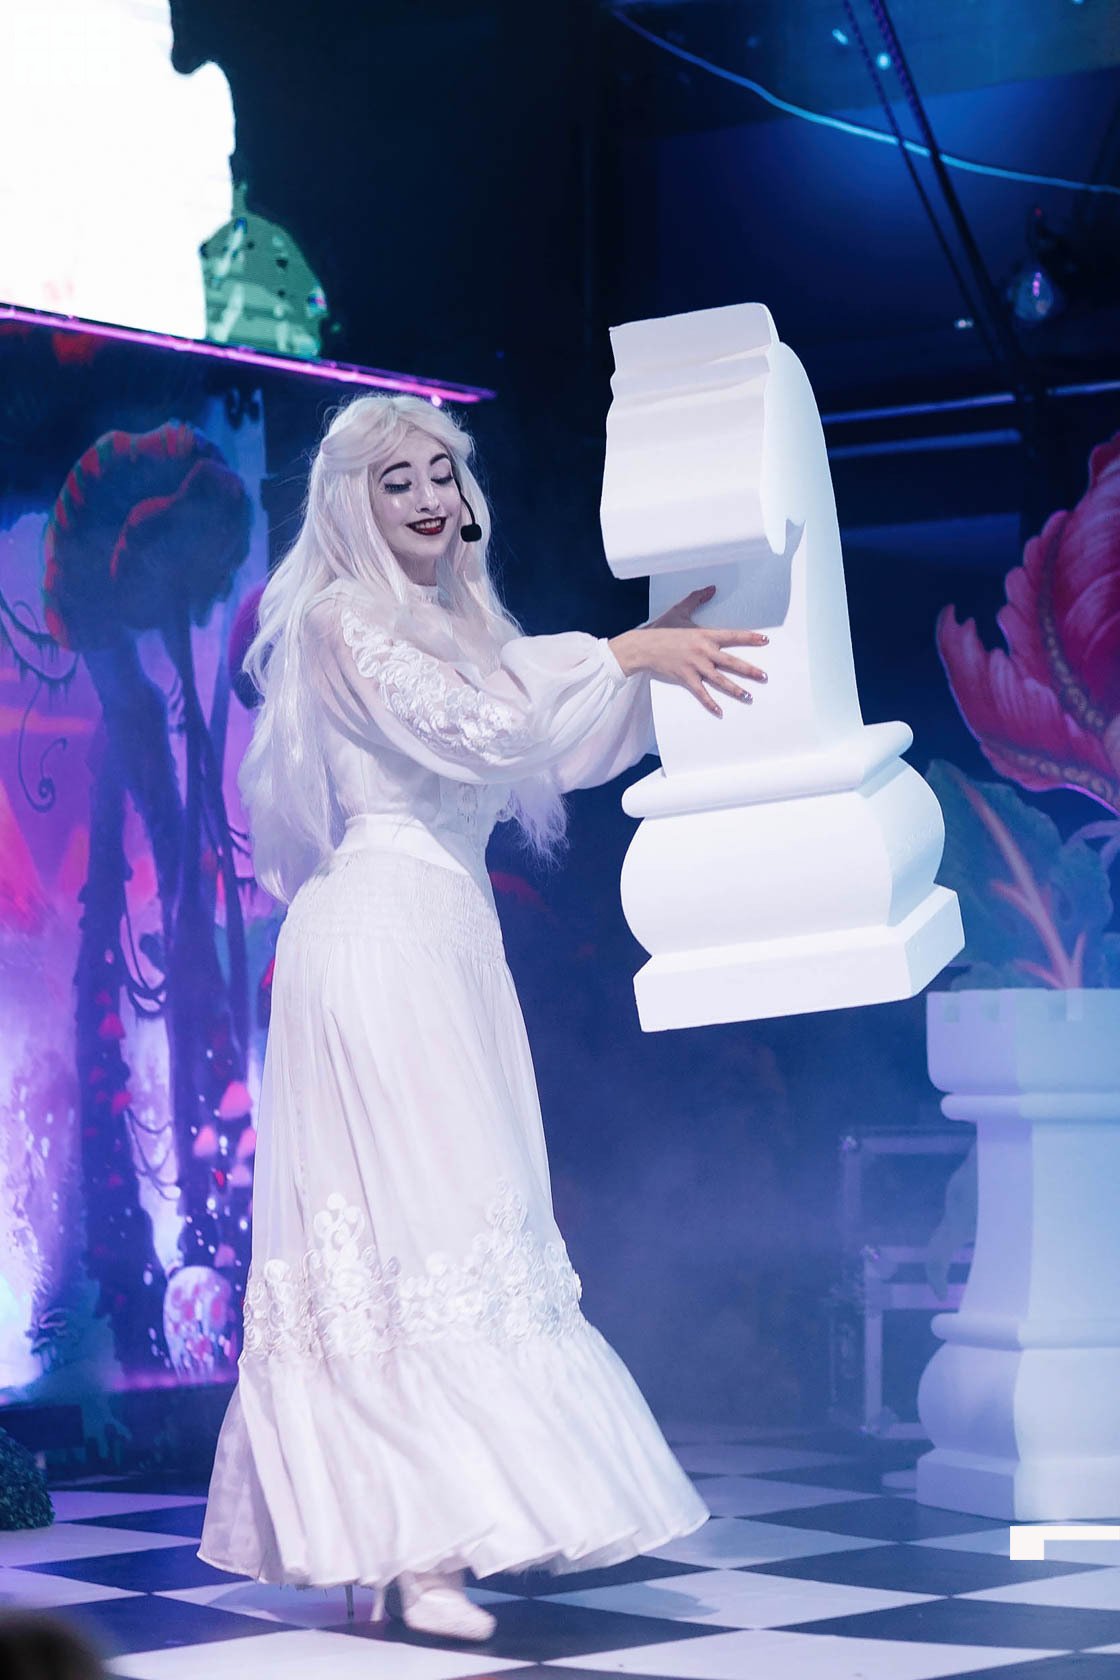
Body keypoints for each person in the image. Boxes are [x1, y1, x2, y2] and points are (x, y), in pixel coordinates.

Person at [199, 393, 768, 1640]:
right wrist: (617, 655)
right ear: (352, 502)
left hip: (449, 945)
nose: (426, 497)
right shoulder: (342, 621)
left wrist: (645, 664)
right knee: (419, 1226)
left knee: (458, 1230)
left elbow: (543, 748)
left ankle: (417, 1537)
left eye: (439, 473)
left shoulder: (467, 623)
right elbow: (476, 724)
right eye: (394, 479)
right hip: (377, 940)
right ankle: (420, 1558)